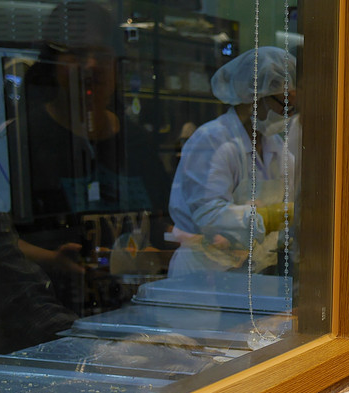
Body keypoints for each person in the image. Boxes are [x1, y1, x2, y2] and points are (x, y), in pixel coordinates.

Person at [19, 0, 172, 312]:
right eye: (75, 53)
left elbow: (163, 226)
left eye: (101, 54)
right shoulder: (23, 138)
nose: (90, 65)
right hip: (53, 318)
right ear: (53, 62)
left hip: (137, 313)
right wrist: (53, 261)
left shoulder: (137, 142)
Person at [168, 47, 297, 277]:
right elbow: (208, 216)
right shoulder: (212, 140)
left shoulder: (275, 147)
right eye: (284, 105)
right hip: (202, 276)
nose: (288, 115)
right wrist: (267, 218)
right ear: (257, 97)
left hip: (253, 275)